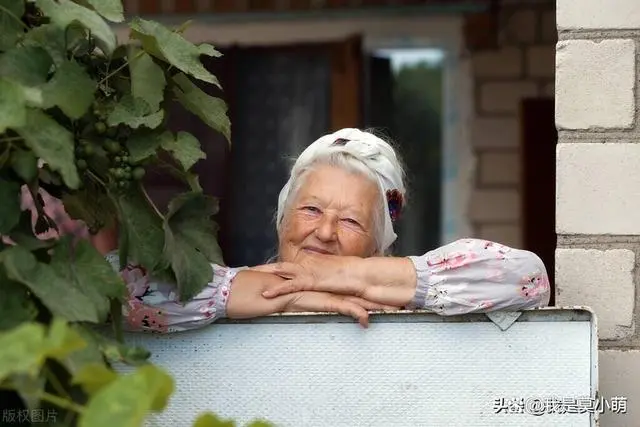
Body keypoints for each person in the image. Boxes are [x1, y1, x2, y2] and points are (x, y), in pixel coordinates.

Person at [96, 128, 550, 333]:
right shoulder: (222, 292)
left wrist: (336, 277)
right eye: (311, 210)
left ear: (379, 244)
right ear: (283, 217)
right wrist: (282, 294)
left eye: (351, 221)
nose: (326, 231)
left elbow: (527, 278)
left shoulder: (409, 302)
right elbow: (110, 288)